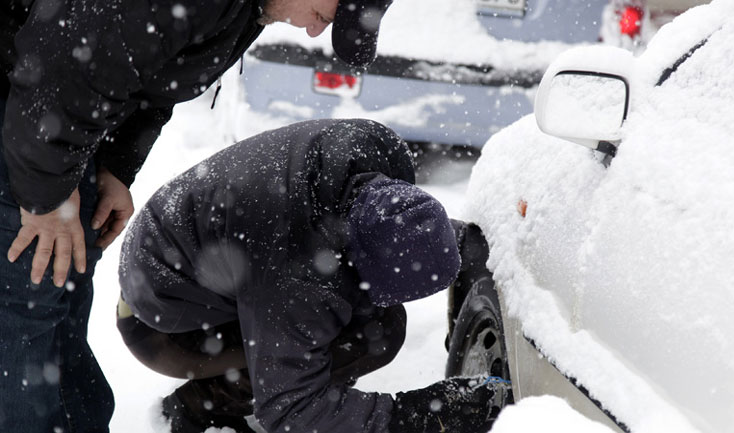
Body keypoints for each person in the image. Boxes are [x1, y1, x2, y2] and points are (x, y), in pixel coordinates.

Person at [0, 0, 395, 431]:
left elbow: (154, 82)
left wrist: (115, 164)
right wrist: (47, 197)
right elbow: (59, 62)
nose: (317, 34)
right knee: (23, 320)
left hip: (66, 144)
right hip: (24, 128)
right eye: (327, 16)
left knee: (63, 300)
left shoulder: (249, 11)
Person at [117, 119, 509, 433]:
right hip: (162, 322)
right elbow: (291, 410)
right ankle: (196, 406)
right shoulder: (297, 270)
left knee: (377, 322)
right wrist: (421, 414)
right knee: (370, 339)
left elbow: (417, 236)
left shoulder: (375, 157)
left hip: (209, 250)